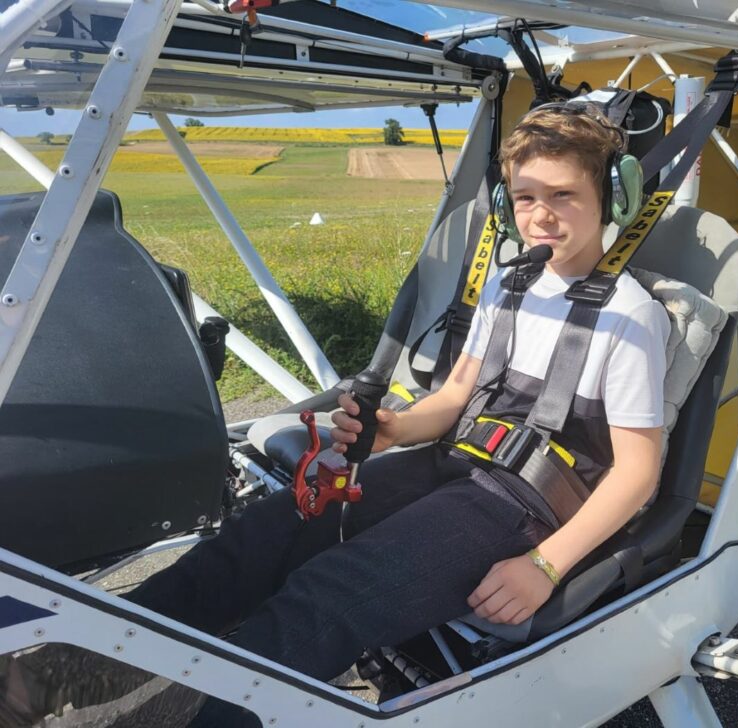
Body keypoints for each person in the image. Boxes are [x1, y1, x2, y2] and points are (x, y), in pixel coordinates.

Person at [1, 104, 671, 726]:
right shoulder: (511, 282)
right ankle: (65, 672)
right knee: (263, 532)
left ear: (611, 198)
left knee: (334, 592)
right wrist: (393, 430)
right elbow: (456, 394)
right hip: (451, 466)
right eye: (526, 197)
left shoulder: (630, 317)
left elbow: (638, 473)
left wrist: (547, 566)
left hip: (523, 503)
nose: (542, 215)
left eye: (564, 196)